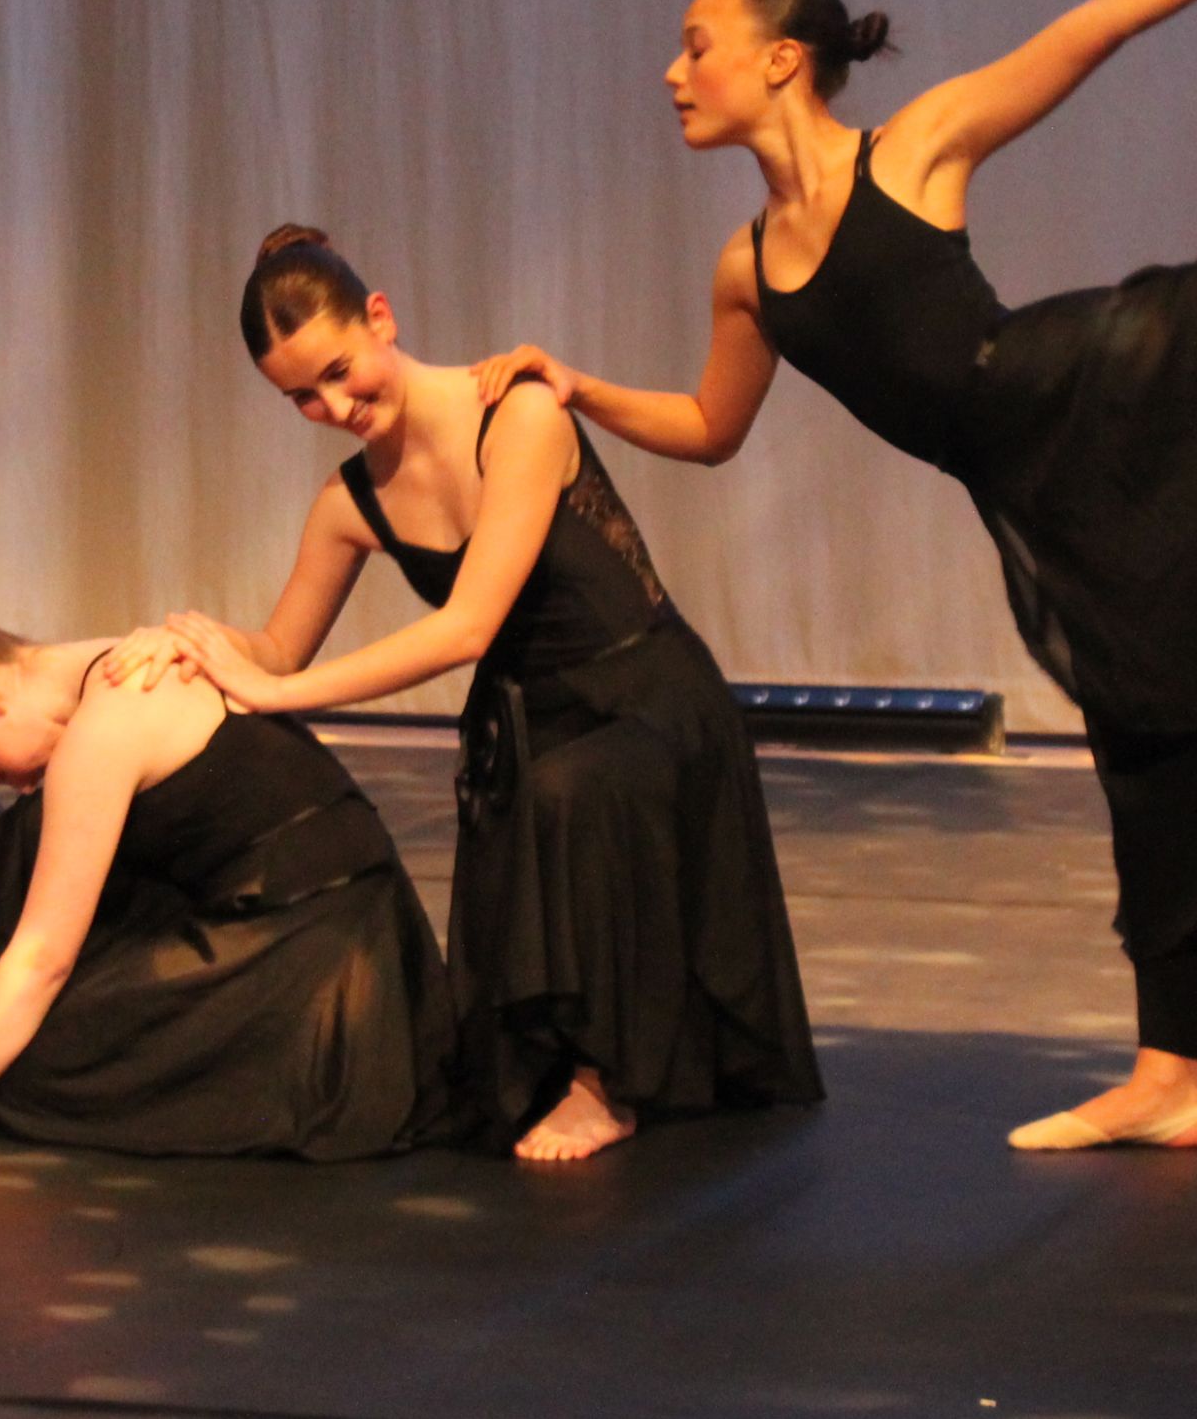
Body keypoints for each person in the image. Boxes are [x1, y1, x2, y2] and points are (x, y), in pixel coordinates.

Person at [472, 0, 1197, 1150]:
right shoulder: (741, 267)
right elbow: (710, 428)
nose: (669, 71)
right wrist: (574, 386)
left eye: (694, 45)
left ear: (778, 59)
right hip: (1039, 492)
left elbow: (1098, 21)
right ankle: (1168, 1077)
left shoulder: (911, 152)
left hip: (1089, 394)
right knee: (1147, 743)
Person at [142, 230, 824, 1161]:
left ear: (380, 318)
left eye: (340, 371)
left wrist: (273, 688)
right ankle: (565, 1061)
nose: (334, 405)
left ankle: (602, 1083)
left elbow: (464, 628)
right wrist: (194, 647)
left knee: (567, 792)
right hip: (533, 725)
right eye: (302, 395)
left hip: (648, 705)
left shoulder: (519, 411)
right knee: (527, 845)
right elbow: (277, 645)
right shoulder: (349, 504)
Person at [0, 585, 458, 1159]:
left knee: (37, 1061)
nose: (16, 787)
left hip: (322, 969)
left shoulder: (106, 725)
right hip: (357, 926)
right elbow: (22, 867)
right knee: (19, 1017)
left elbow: (41, 953)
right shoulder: (105, 663)